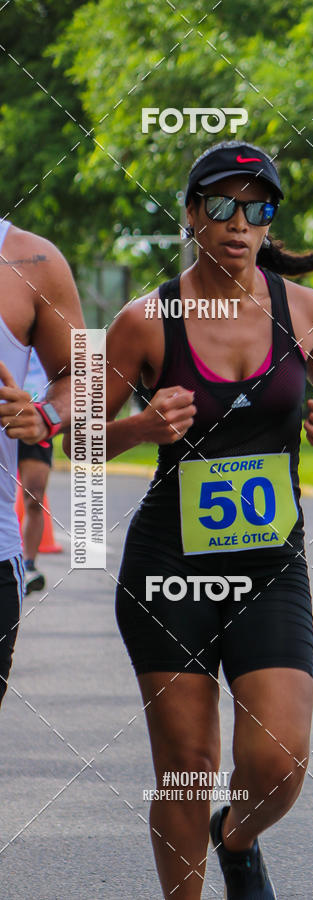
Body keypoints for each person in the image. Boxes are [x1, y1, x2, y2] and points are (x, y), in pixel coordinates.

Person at [99, 141, 313, 899]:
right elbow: (84, 435)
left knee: (280, 761)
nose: (238, 222)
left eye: (257, 208)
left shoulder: (306, 310)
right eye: (220, 204)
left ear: (268, 224)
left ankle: (239, 835)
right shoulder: (145, 320)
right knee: (187, 765)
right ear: (192, 215)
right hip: (169, 568)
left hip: (268, 566)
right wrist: (142, 428)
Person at [0, 219, 84, 706]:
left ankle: (30, 561)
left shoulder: (33, 261)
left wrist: (46, 413)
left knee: (34, 494)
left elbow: (82, 374)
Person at [18, 347, 54, 594]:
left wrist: (53, 417)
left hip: (38, 418)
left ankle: (29, 565)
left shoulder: (48, 329)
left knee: (34, 497)